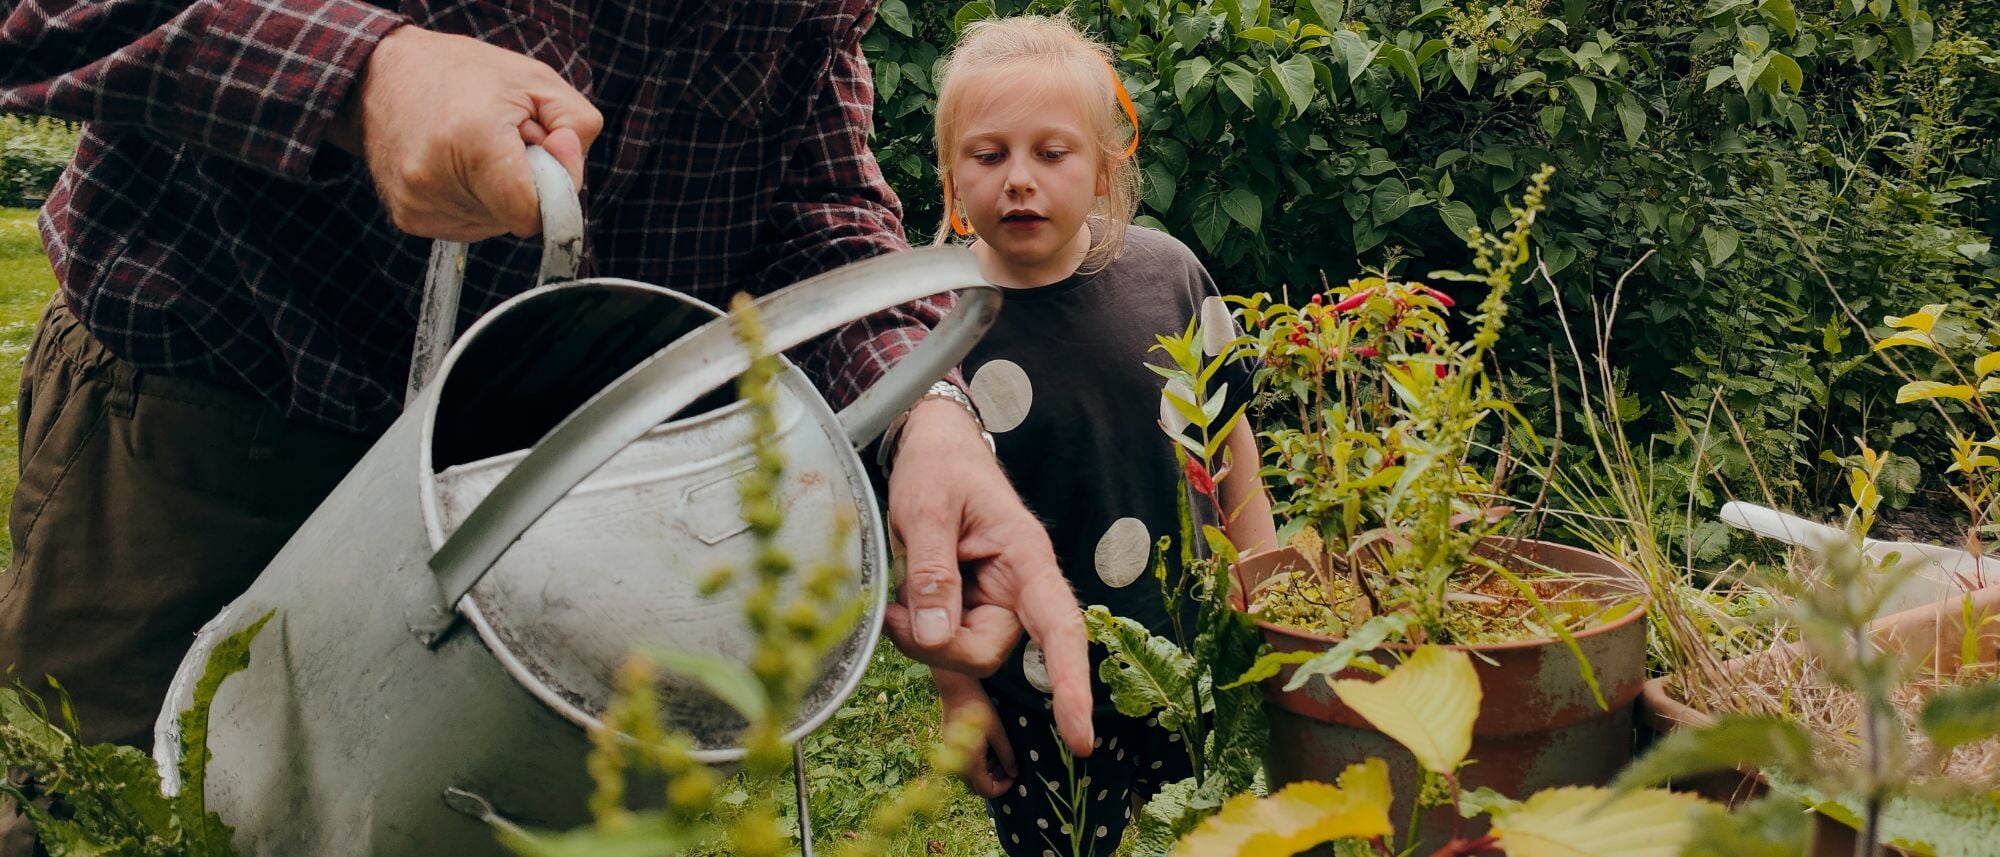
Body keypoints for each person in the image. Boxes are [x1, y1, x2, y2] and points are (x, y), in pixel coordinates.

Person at [0, 0, 1094, 814]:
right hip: (208, 434)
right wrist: (364, 71)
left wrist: (925, 414)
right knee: (113, 818)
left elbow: (813, 198)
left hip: (550, 515)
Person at [919, 15, 1278, 856]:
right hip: (1034, 689)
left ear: (1107, 166)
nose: (1019, 180)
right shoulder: (932, 326)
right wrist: (960, 696)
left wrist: (1263, 583)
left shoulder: (1169, 275)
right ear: (950, 174)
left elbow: (1230, 443)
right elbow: (923, 539)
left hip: (1194, 655)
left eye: (1051, 153)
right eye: (988, 154)